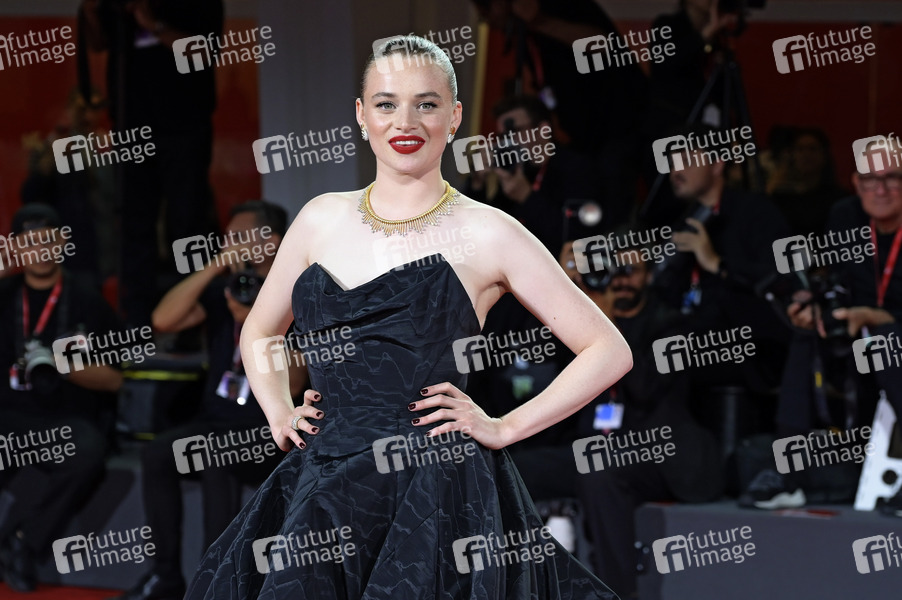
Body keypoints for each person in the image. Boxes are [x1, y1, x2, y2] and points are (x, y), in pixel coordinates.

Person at [185, 36, 631, 599]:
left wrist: (504, 427)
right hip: (324, 478)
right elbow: (261, 328)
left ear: (454, 116)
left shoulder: (489, 231)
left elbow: (608, 350)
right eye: (386, 103)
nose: (406, 121)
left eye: (426, 104)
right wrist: (278, 410)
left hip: (433, 490)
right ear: (361, 114)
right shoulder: (321, 218)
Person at [112, 201, 306, 600]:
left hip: (268, 426)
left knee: (216, 456)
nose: (230, 245)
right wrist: (215, 267)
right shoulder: (227, 291)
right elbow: (163, 320)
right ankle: (165, 577)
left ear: (270, 242)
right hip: (216, 419)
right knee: (158, 453)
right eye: (227, 238)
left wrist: (261, 324)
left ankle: (215, 583)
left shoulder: (296, 293)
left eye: (239, 237)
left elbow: (296, 383)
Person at [560, 234, 723, 598]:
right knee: (510, 463)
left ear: (649, 275)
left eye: (631, 270)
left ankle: (619, 593)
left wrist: (605, 324)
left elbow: (645, 387)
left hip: (661, 455)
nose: (621, 279)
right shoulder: (587, 317)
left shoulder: (672, 326)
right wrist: (564, 292)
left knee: (597, 471)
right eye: (613, 270)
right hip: (594, 445)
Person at [741, 161, 902, 509]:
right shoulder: (845, 217)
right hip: (857, 332)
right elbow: (838, 285)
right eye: (870, 179)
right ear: (856, 183)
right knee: (808, 333)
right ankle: (788, 476)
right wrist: (814, 307)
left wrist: (881, 318)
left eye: (892, 177)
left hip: (890, 335)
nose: (881, 189)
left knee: (887, 339)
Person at [0, 204, 122, 593]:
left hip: (66, 419)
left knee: (87, 452)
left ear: (62, 242)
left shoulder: (88, 300)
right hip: (8, 415)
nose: (38, 250)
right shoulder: (3, 295)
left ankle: (22, 542)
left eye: (47, 240)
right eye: (28, 242)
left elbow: (114, 380)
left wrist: (61, 364)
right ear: (15, 247)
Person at [80, 0, 223, 326]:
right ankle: (137, 320)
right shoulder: (120, 9)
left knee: (187, 221)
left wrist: (153, 24)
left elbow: (203, 53)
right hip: (133, 125)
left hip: (184, 125)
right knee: (133, 222)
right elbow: (99, 44)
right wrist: (90, 11)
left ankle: (191, 317)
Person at [464, 94, 608, 255]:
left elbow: (576, 237)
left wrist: (527, 197)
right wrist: (477, 183)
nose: (508, 142)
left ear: (543, 130)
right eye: (503, 136)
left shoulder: (577, 168)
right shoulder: (517, 170)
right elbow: (481, 230)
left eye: (515, 131)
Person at [768, 127, 847, 236]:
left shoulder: (839, 199)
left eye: (812, 149)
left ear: (824, 155)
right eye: (800, 149)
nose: (806, 154)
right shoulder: (780, 197)